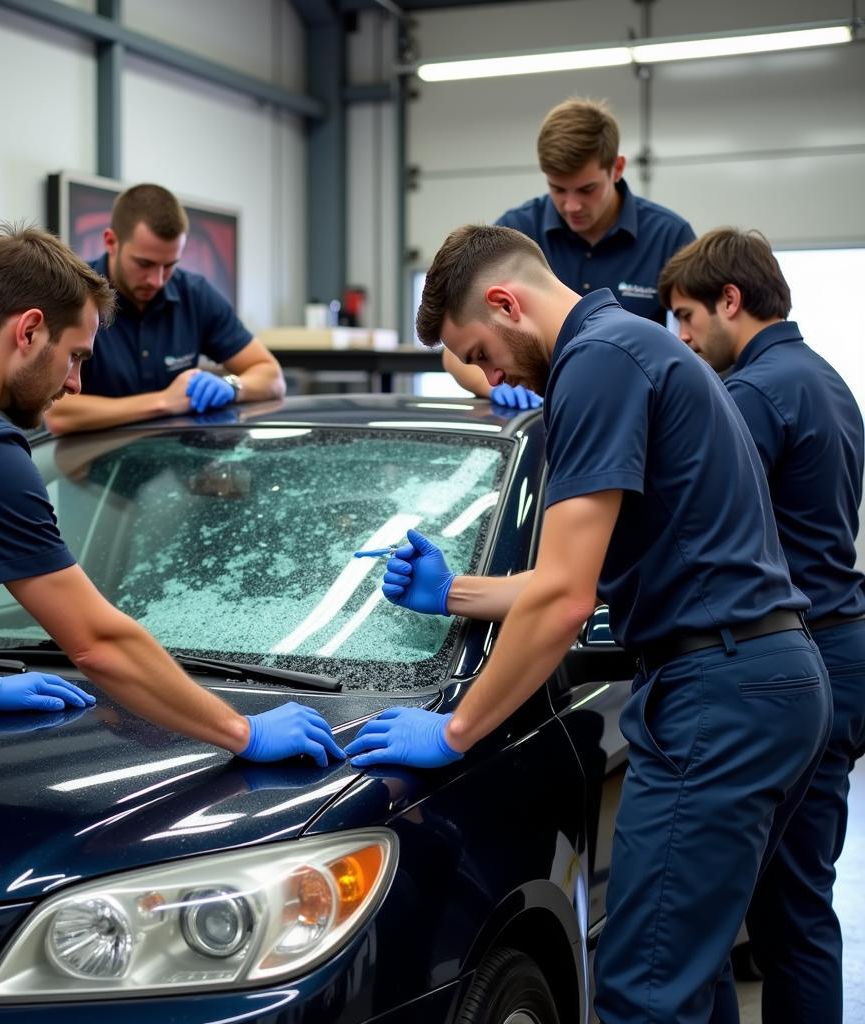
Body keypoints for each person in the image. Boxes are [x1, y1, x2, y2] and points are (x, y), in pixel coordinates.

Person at [346, 224, 831, 1023]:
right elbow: (581, 580)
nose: (490, 376)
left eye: (481, 351)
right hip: (758, 678)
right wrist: (453, 594)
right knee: (693, 973)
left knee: (643, 991)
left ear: (505, 303)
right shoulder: (629, 348)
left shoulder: (597, 363)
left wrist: (457, 732)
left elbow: (566, 602)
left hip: (720, 691)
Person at [0, 225, 342, 768]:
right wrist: (243, 731)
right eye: (76, 357)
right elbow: (96, 642)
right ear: (29, 330)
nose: (77, 383)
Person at [660, 227, 865, 1023]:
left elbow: (696, 523)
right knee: (799, 907)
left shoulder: (751, 394)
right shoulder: (827, 379)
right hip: (843, 646)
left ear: (730, 302)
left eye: (684, 317)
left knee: (721, 914)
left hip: (787, 658)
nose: (680, 338)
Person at [443, 97, 695, 405]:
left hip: (632, 409)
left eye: (587, 189)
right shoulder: (514, 234)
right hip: (543, 414)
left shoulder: (668, 236)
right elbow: (460, 349)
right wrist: (497, 388)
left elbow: (698, 341)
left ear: (616, 169)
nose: (571, 206)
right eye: (558, 189)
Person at [45, 183, 285, 435]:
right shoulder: (74, 296)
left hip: (176, 465)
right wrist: (164, 403)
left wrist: (232, 386)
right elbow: (58, 414)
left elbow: (272, 377)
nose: (157, 280)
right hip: (89, 467)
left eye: (169, 265)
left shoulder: (195, 295)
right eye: (144, 263)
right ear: (111, 242)